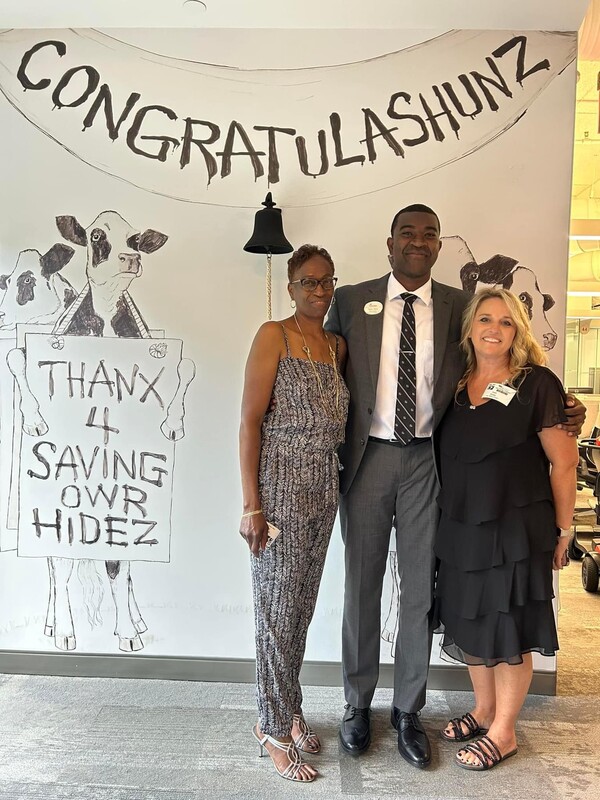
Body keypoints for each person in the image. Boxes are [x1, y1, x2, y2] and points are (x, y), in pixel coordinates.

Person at [325, 204, 585, 769]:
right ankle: (356, 704)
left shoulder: (457, 307)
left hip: (426, 462)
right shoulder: (350, 301)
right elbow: (324, 372)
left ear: (440, 246)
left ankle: (407, 712)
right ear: (389, 242)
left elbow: (508, 366)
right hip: (367, 460)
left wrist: (567, 412)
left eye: (429, 235)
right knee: (361, 589)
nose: (418, 242)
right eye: (408, 234)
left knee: (420, 594)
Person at [434, 288, 578, 771]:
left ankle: (505, 731)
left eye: (507, 322)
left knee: (510, 624)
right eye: (485, 319)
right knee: (474, 618)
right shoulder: (455, 384)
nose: (494, 329)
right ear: (470, 327)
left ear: (519, 331)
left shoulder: (537, 383)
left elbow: (563, 463)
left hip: (516, 530)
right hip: (461, 527)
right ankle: (484, 708)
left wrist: (564, 530)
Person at [239, 244, 349, 783]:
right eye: (309, 281)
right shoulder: (273, 335)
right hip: (279, 488)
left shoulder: (335, 347)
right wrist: (251, 505)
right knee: (275, 612)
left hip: (323, 489)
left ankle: (291, 708)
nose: (319, 290)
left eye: (327, 281)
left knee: (299, 611)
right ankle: (271, 729)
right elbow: (249, 422)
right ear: (291, 287)